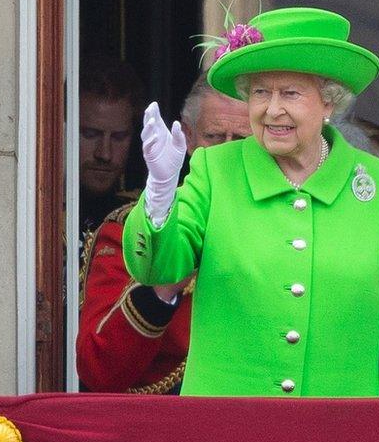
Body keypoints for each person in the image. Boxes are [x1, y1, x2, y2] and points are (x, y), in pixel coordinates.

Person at [121, 7, 379, 397]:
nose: (272, 109)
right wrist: (160, 195)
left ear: (329, 102)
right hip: (229, 432)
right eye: (260, 92)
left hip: (343, 436)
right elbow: (160, 267)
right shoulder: (216, 170)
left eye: (291, 93)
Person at [76, 74, 250, 393]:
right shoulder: (133, 227)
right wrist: (163, 285)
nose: (225, 155)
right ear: (187, 136)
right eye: (213, 137)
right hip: (165, 427)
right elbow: (98, 369)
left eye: (240, 140)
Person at [79, 56, 144, 237]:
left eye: (118, 137)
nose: (104, 153)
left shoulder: (144, 216)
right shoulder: (37, 211)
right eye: (91, 135)